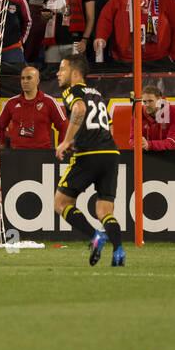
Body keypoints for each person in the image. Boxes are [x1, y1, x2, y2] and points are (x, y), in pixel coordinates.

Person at [53, 54, 125, 267]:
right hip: (110, 153)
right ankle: (119, 251)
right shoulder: (97, 94)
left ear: (75, 73)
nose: (58, 73)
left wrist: (67, 141)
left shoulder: (72, 91)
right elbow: (109, 125)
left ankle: (96, 236)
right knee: (105, 211)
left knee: (61, 203)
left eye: (62, 69)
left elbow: (79, 109)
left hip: (89, 154)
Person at [0, 65, 67, 149]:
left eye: (29, 78)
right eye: (22, 78)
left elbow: (63, 125)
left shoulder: (49, 101)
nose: (25, 81)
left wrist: (61, 147)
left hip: (42, 154)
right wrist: (2, 147)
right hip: (16, 154)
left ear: (37, 81)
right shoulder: (11, 102)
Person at [130, 84, 175, 151]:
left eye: (150, 101)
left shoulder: (173, 112)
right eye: (144, 101)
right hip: (153, 151)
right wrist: (138, 144)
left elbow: (172, 142)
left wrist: (149, 145)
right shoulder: (138, 114)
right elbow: (132, 139)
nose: (147, 105)